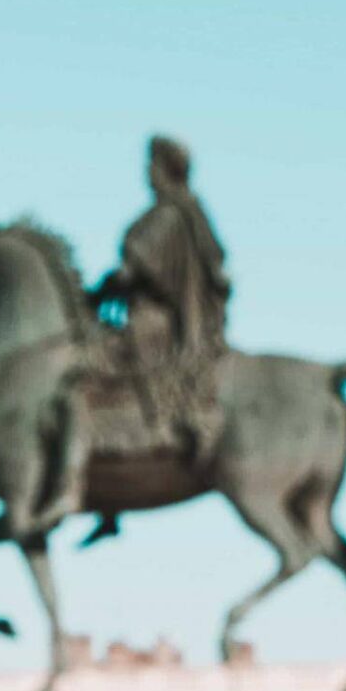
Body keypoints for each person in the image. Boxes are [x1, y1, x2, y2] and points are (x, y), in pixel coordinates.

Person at [90, 131, 232, 460]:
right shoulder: (192, 214)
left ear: (165, 168)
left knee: (95, 359)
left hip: (157, 318)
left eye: (151, 165)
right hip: (171, 316)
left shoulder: (166, 216)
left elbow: (133, 271)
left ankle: (152, 427)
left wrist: (97, 293)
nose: (147, 172)